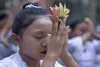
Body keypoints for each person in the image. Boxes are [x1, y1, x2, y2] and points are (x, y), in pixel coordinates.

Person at [0, 2, 79, 67]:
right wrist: (51, 56)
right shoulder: (6, 65)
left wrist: (65, 55)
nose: (47, 43)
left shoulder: (53, 63)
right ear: (17, 39)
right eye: (39, 36)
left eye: (51, 35)